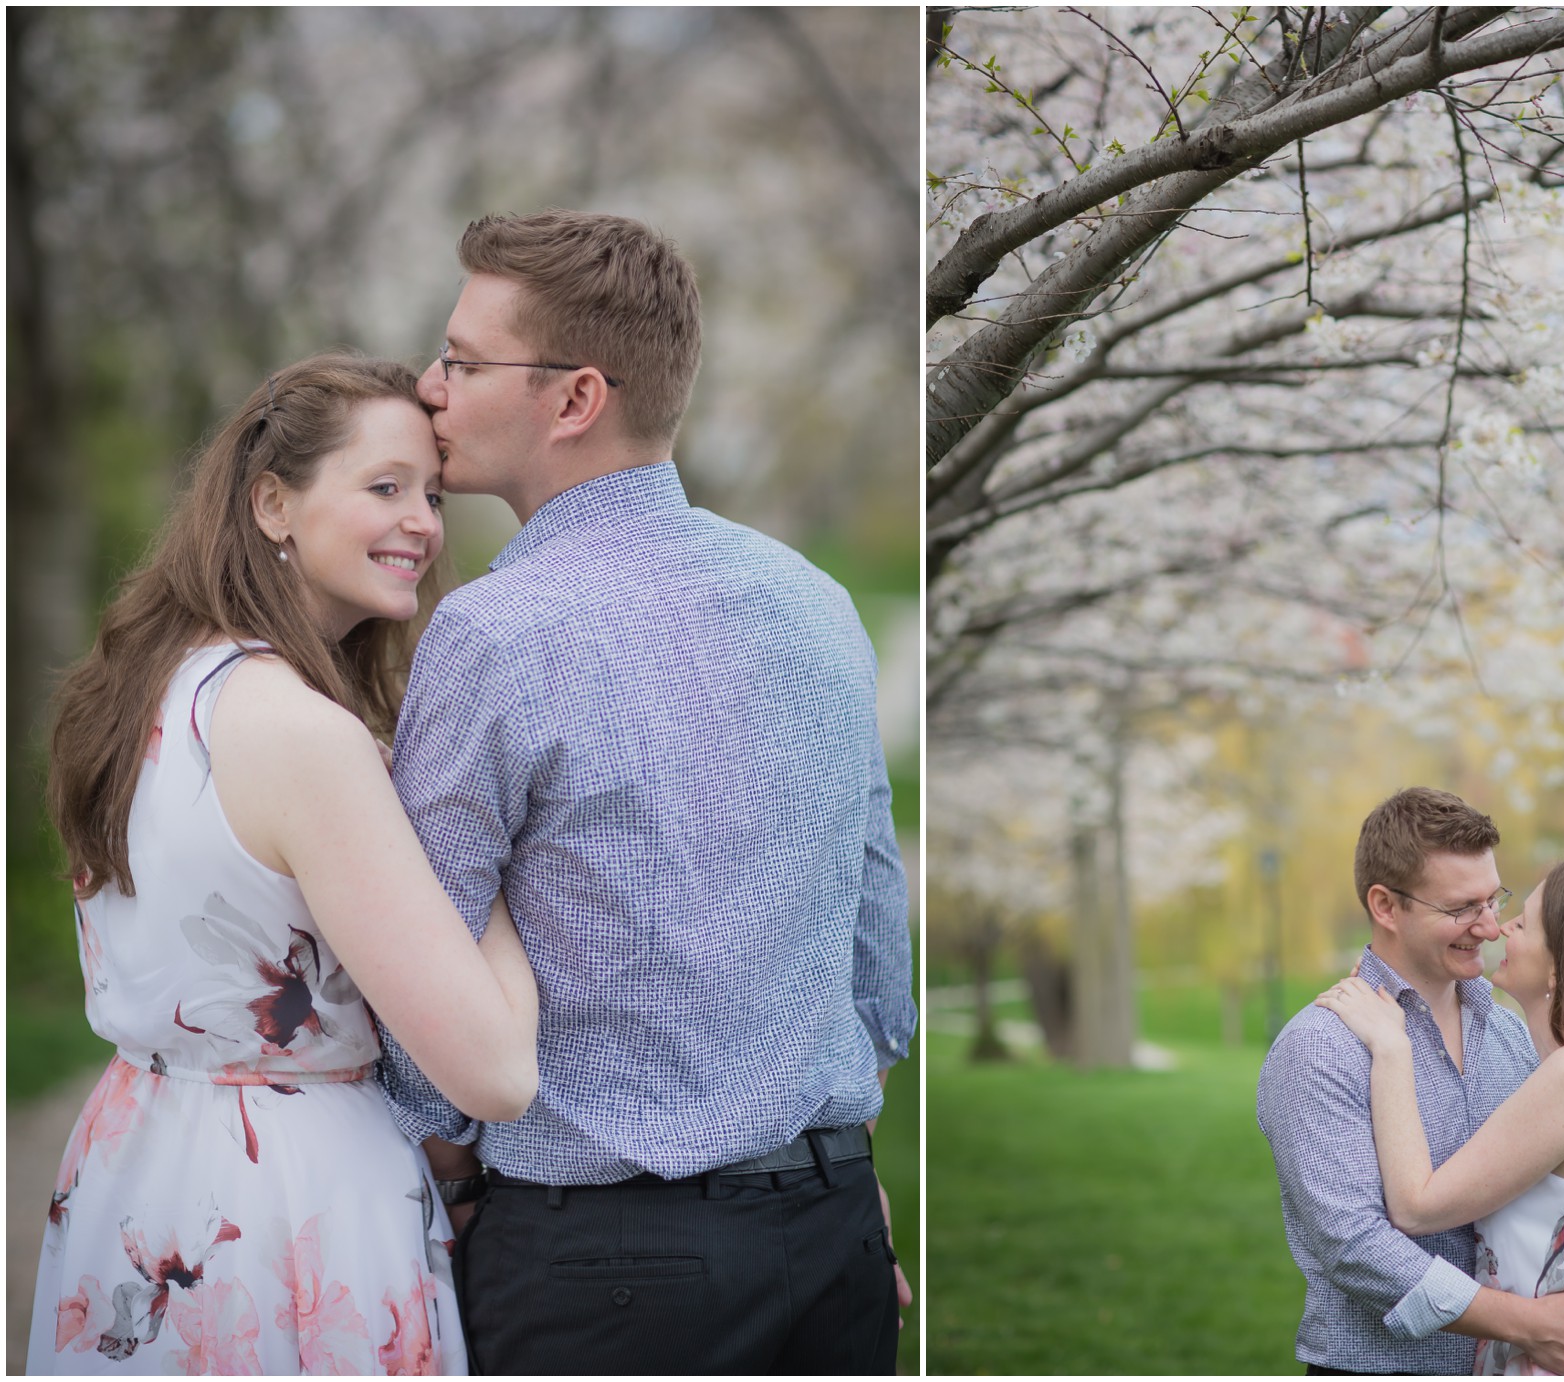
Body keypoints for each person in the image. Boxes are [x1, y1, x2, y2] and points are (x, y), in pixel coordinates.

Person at [374, 209, 917, 1374]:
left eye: (463, 363)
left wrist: (447, 1174)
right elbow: (875, 915)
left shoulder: (492, 631)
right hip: (833, 1241)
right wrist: (841, 1167)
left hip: (602, 1270)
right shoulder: (816, 598)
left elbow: (430, 959)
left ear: (574, 399)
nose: (429, 386)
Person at [30, 353, 540, 1374]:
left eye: (432, 494)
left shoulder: (147, 690)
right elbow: (495, 1071)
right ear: (273, 502)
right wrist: (468, 840)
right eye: (385, 486)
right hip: (284, 1205)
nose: (424, 523)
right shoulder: (307, 737)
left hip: (139, 1168)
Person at [1256, 788, 1564, 1375]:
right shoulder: (1321, 1047)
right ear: (1386, 906)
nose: (1489, 927)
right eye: (1461, 908)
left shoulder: (1513, 1034)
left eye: (1494, 900)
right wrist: (1530, 1324)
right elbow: (1355, 1247)